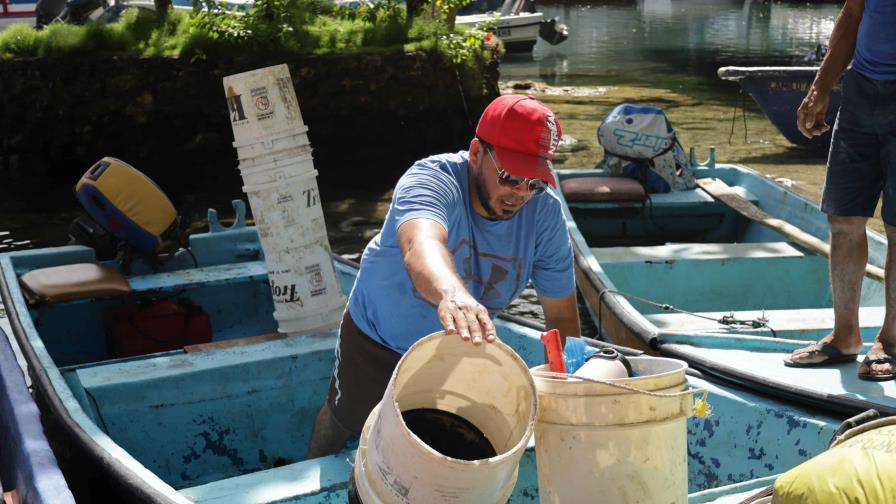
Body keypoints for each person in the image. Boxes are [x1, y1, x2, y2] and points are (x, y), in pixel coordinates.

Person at [306, 94, 581, 457]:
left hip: (460, 347)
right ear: (476, 153)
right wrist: (454, 294)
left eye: (536, 183)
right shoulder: (432, 179)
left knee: (448, 442)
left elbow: (561, 315)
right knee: (345, 421)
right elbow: (420, 245)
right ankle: (313, 462)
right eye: (510, 177)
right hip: (380, 338)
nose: (520, 194)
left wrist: (575, 381)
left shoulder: (545, 215)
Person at [786, 0, 896, 380]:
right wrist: (819, 88)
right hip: (862, 92)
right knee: (843, 218)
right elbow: (853, 15)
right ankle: (845, 335)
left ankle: (892, 343)